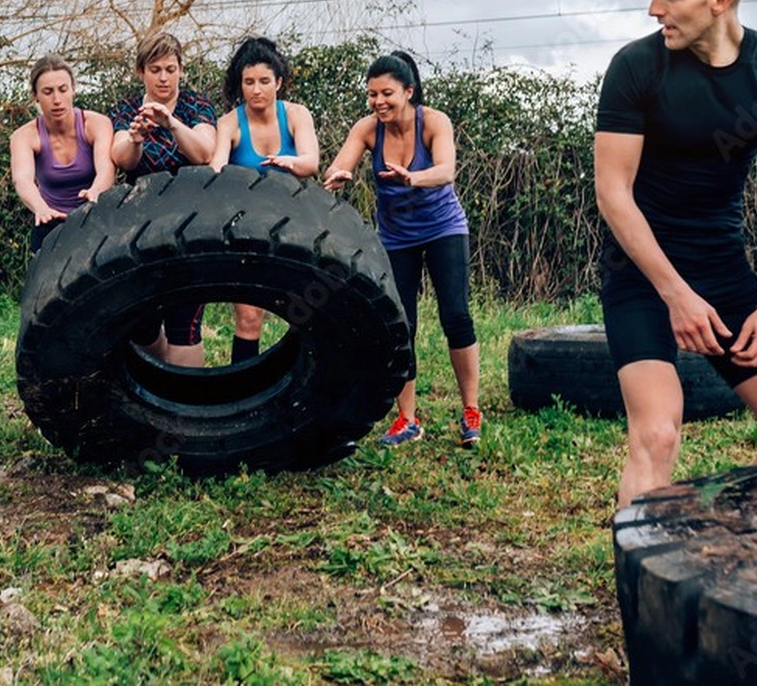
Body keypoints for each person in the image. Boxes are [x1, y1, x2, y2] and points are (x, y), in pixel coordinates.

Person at [594, 0, 757, 508]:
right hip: (641, 274)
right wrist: (675, 294)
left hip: (723, 269)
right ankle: (643, 566)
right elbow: (613, 193)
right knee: (656, 434)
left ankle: (721, 527)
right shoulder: (635, 67)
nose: (653, 9)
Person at [323, 51, 482, 448]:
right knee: (401, 324)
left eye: (387, 93)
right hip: (396, 237)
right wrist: (339, 174)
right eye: (372, 94)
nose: (378, 102)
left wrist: (414, 178)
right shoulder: (367, 129)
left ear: (408, 92)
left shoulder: (435, 122)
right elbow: (340, 164)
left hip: (444, 228)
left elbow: (446, 170)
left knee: (456, 316)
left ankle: (471, 410)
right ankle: (407, 420)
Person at [109, 30, 216, 367]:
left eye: (171, 69)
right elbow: (122, 159)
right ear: (141, 71)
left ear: (181, 69)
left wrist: (171, 123)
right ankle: (158, 386)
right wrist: (136, 138)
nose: (164, 78)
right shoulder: (126, 108)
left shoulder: (196, 105)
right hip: (140, 228)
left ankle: (187, 396)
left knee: (184, 324)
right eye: (155, 70)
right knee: (142, 323)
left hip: (191, 226)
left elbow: (204, 153)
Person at [209, 36, 318, 363]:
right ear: (240, 85)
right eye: (249, 82)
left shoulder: (296, 115)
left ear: (278, 82)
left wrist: (290, 163)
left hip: (294, 225)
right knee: (249, 317)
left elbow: (311, 162)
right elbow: (216, 167)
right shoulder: (229, 122)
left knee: (304, 310)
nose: (256, 90)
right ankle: (241, 386)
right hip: (246, 229)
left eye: (264, 81)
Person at [9, 55, 116, 253]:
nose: (57, 100)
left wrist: (96, 191)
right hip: (50, 222)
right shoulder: (24, 136)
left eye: (63, 89)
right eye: (48, 92)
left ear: (73, 89)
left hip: (95, 215)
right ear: (35, 95)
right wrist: (40, 208)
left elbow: (106, 167)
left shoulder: (96, 123)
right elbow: (22, 179)